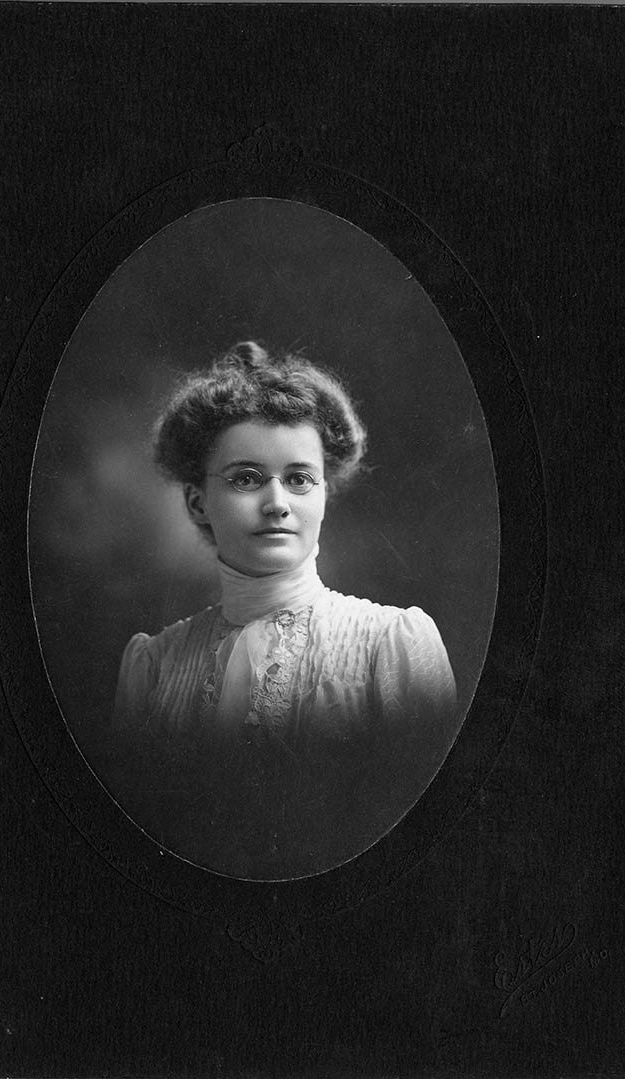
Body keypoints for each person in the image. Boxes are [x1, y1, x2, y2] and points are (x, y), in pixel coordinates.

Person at [112, 341, 456, 879]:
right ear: (197, 502)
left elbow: (431, 853)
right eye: (247, 478)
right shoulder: (153, 667)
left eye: (299, 479)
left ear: (322, 493)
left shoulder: (391, 644)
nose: (278, 503)